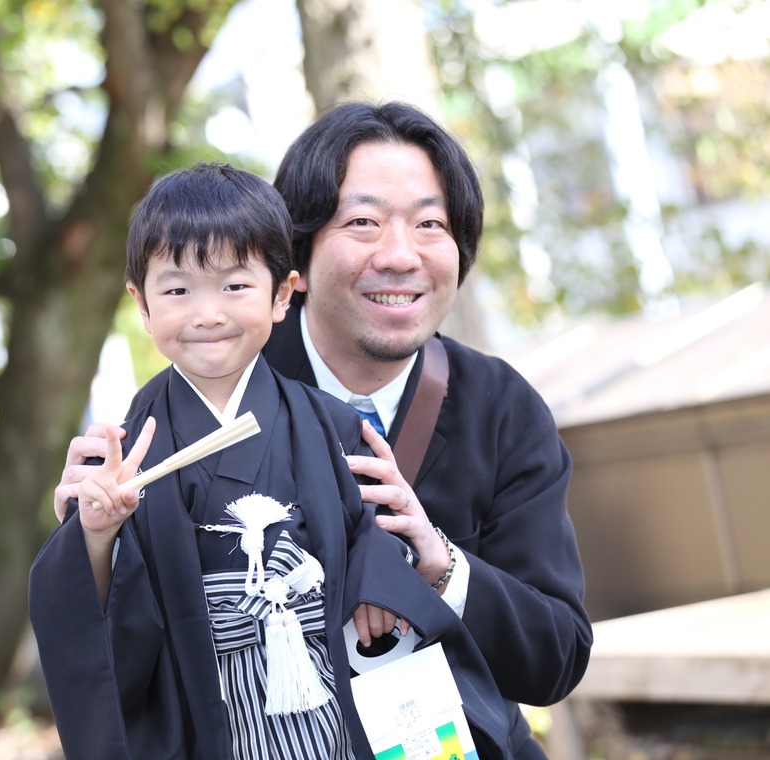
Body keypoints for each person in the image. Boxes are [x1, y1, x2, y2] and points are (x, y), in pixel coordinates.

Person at [53, 102, 593, 759]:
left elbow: (556, 658)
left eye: (430, 224)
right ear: (296, 264)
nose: (399, 255)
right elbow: (117, 634)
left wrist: (438, 564)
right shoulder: (195, 391)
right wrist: (94, 540)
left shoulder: (500, 406)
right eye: (363, 222)